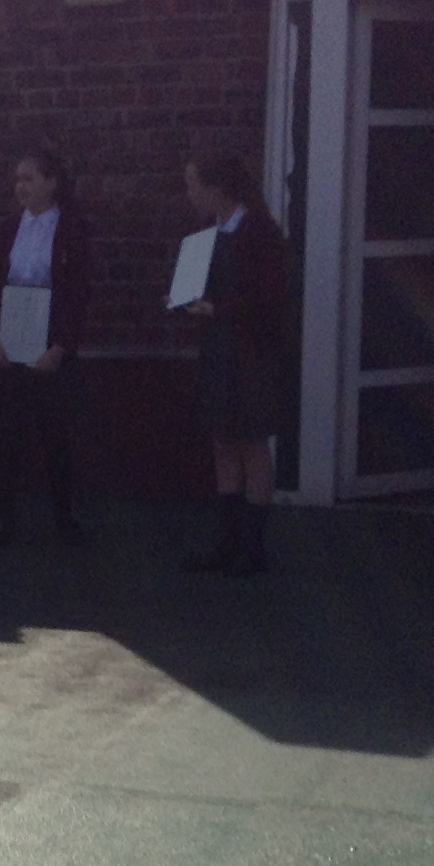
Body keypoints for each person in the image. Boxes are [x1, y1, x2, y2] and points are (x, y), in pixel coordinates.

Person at [175, 152, 294, 575]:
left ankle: (253, 548)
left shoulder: (261, 232)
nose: (189, 193)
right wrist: (185, 299)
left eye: (194, 185)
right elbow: (196, 287)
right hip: (218, 350)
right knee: (222, 441)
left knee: (252, 443)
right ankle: (227, 543)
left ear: (218, 188)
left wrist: (219, 309)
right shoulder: (206, 232)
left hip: (252, 352)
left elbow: (273, 297)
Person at [0, 151, 93, 546]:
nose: (20, 186)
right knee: (5, 435)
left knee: (56, 435)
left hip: (50, 346)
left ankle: (64, 516)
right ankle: (4, 517)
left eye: (29, 178)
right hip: (8, 343)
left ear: (52, 183)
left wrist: (60, 347)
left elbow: (78, 294)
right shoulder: (5, 230)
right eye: (18, 179)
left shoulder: (72, 230)